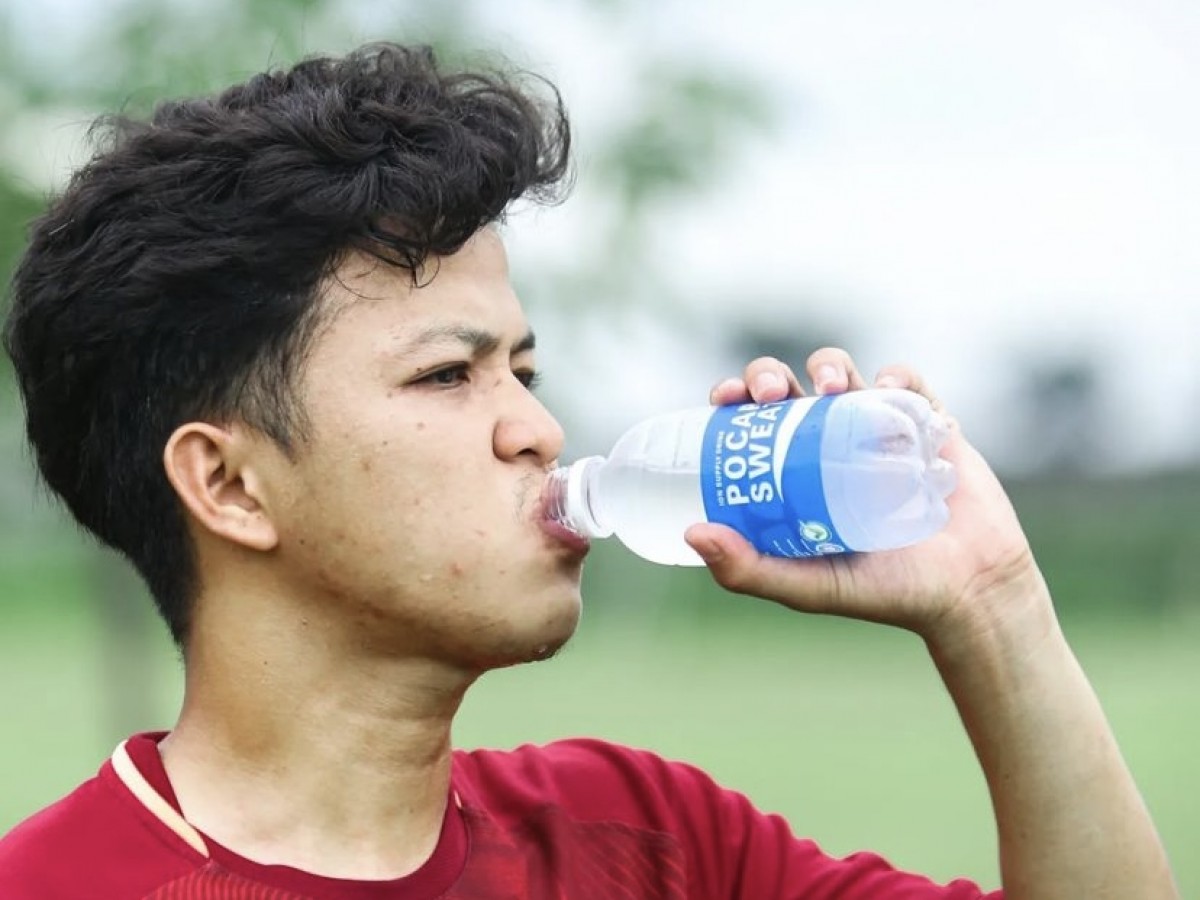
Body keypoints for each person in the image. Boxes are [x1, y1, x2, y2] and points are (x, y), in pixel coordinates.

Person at [0, 42, 1178, 900]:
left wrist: (995, 606)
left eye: (525, 370)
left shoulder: (653, 841)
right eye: (449, 376)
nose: (538, 429)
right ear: (229, 485)